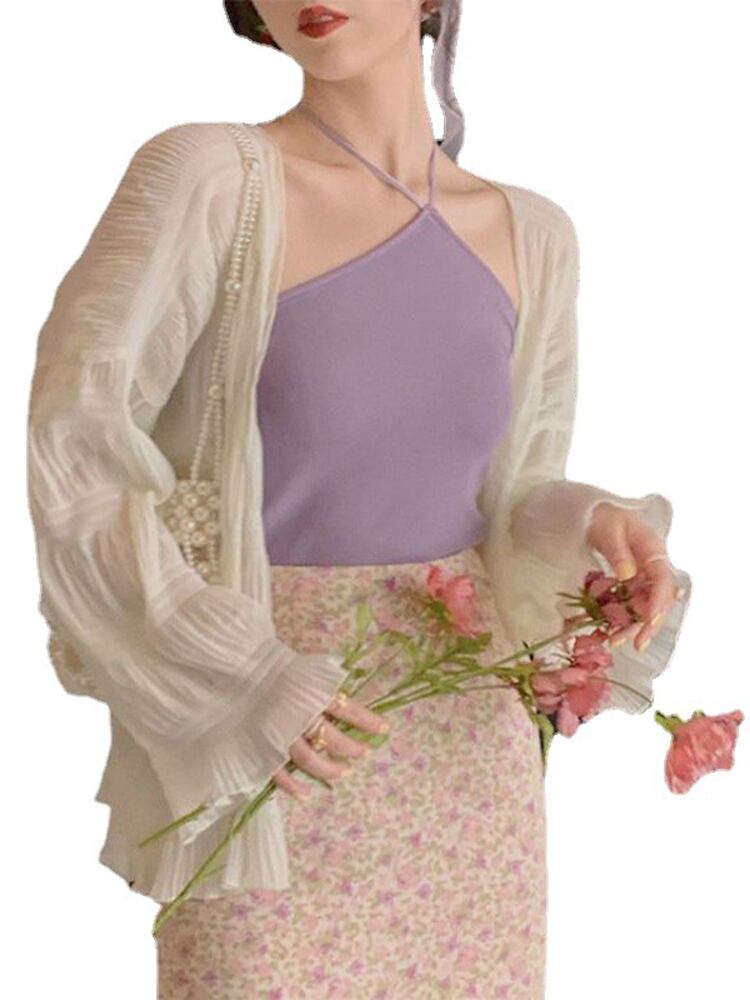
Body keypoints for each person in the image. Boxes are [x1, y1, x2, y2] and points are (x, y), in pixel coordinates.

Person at [26, 1, 691, 996]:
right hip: (277, 723)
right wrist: (237, 675)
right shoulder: (210, 179)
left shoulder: (533, 235)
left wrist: (591, 522)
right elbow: (77, 445)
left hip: (463, 739)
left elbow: (509, 490)